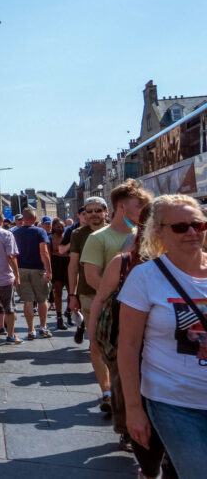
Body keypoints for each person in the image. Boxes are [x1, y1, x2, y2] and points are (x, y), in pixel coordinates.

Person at [118, 194, 207, 479]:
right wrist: (133, 409)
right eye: (181, 227)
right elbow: (128, 346)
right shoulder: (145, 277)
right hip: (174, 402)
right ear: (159, 231)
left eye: (198, 225)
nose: (192, 232)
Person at [89, 205, 171, 465]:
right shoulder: (126, 260)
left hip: (167, 348)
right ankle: (127, 431)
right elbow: (101, 298)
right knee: (124, 383)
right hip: (122, 334)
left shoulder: (192, 264)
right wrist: (94, 337)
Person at [81, 180, 151, 414]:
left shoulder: (143, 236)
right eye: (139, 205)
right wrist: (122, 299)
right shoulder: (98, 238)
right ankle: (109, 395)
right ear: (122, 207)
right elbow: (92, 277)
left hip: (139, 309)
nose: (143, 210)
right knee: (108, 355)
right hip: (107, 305)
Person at [69, 195, 111, 404]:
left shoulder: (121, 232)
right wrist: (73, 294)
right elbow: (74, 266)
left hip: (118, 295)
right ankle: (106, 392)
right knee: (95, 344)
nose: (94, 214)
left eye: (98, 210)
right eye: (89, 211)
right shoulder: (78, 234)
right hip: (88, 294)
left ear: (106, 211)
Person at [12, 208, 52, 339]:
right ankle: (43, 326)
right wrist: (49, 270)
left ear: (23, 219)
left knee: (27, 301)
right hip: (38, 269)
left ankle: (31, 330)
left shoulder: (16, 233)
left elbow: (12, 254)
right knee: (42, 299)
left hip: (21, 269)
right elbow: (44, 252)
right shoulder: (40, 232)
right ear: (35, 219)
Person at [0, 211, 22, 344]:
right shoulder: (7, 234)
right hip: (4, 276)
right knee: (9, 308)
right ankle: (11, 335)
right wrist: (17, 275)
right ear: (2, 222)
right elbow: (11, 257)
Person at [49, 218, 70, 330]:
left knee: (71, 292)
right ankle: (59, 317)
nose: (60, 229)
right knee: (58, 292)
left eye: (62, 227)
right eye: (57, 227)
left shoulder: (67, 237)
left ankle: (69, 311)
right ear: (53, 227)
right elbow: (49, 253)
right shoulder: (50, 238)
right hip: (56, 266)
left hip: (67, 265)